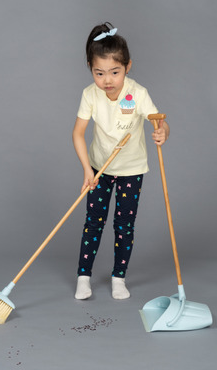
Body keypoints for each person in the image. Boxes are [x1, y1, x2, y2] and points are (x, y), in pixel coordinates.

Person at [72, 22, 169, 300]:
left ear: (128, 66)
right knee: (93, 222)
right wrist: (86, 171)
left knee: (124, 225)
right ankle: (83, 276)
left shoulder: (137, 93)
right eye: (99, 73)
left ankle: (118, 278)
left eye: (115, 72)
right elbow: (78, 134)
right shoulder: (90, 94)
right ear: (90, 68)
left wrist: (162, 132)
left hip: (131, 170)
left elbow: (159, 121)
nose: (107, 80)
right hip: (98, 169)